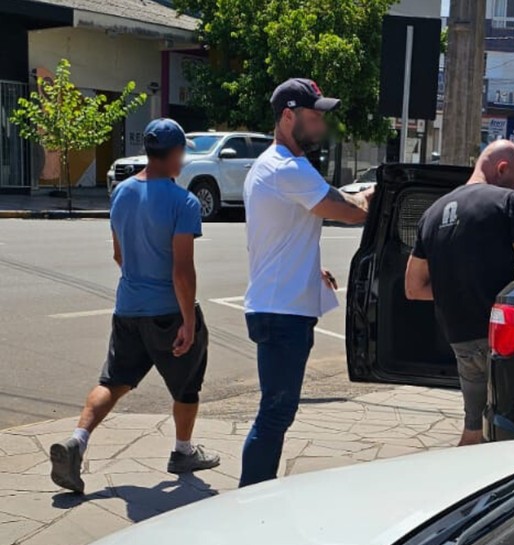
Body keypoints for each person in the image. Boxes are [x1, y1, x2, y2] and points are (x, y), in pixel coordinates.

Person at [50, 119, 219, 494]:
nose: (183, 159)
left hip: (127, 308)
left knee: (113, 382)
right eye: (183, 152)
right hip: (168, 312)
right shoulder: (184, 202)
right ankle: (183, 451)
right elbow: (182, 271)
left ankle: (77, 441)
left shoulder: (122, 193)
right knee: (186, 386)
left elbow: (118, 255)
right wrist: (188, 321)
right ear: (174, 153)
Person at [239, 78, 373, 487]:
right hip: (282, 313)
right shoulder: (288, 168)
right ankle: (249, 498)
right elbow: (349, 211)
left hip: (275, 304)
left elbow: (280, 234)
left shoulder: (269, 165)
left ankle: (255, 492)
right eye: (314, 116)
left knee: (276, 412)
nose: (320, 125)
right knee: (275, 413)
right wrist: (372, 196)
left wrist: (309, 268)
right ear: (287, 116)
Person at [405, 140, 514, 446]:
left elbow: (413, 288)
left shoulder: (433, 213)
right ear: (502, 169)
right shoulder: (506, 201)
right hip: (502, 337)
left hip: (460, 338)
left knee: (475, 426)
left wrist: (456, 287)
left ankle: (463, 465)